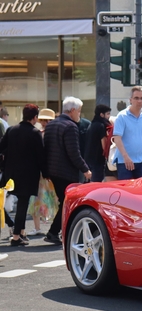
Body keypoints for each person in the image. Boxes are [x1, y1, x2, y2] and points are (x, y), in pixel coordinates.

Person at [44, 97, 91, 244]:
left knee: (64, 202)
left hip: (52, 170)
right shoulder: (70, 126)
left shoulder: (51, 124)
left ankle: (57, 232)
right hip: (66, 172)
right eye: (79, 111)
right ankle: (54, 232)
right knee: (68, 203)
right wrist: (85, 169)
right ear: (72, 111)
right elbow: (73, 152)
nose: (79, 114)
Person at [0, 104, 48, 246]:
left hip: (11, 173)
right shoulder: (35, 133)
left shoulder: (11, 130)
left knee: (19, 203)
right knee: (22, 204)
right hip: (28, 174)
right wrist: (45, 173)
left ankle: (20, 232)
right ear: (35, 117)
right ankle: (16, 236)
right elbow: (41, 157)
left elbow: (1, 148)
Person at [113, 86, 142, 179]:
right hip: (125, 161)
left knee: (141, 191)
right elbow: (117, 138)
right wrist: (125, 157)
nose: (139, 101)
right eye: (136, 98)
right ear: (130, 100)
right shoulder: (122, 116)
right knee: (126, 191)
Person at [27, 107, 58, 235]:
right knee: (38, 199)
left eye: (47, 120)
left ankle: (50, 227)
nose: (45, 123)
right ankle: (38, 227)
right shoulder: (40, 133)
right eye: (43, 120)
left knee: (51, 199)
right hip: (45, 171)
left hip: (46, 171)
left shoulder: (41, 133)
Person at [84, 104, 111, 183]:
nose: (109, 116)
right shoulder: (101, 126)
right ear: (102, 114)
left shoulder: (91, 125)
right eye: (108, 114)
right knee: (96, 184)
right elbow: (104, 146)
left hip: (88, 160)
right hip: (98, 161)